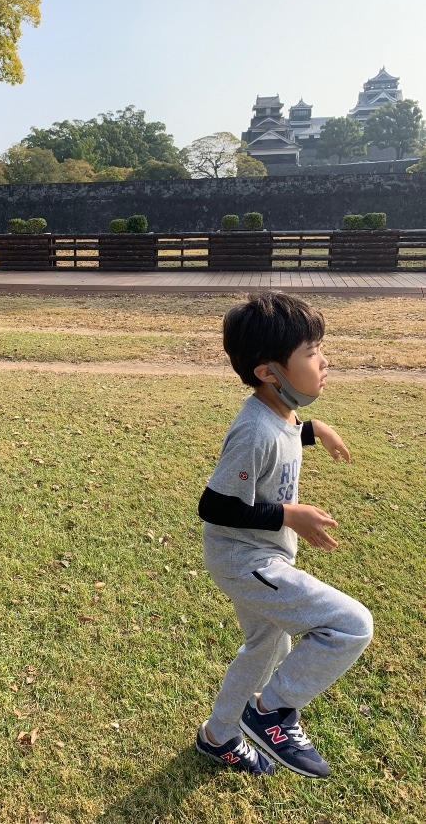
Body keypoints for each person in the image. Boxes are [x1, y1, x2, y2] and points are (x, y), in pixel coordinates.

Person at [195, 291, 373, 778]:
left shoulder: (282, 413)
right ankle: (270, 712)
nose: (324, 361)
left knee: (265, 649)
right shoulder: (254, 431)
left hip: (261, 558)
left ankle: (218, 735)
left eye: (319, 349)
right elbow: (212, 505)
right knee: (351, 625)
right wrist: (287, 516)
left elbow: (288, 431)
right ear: (268, 373)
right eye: (310, 353)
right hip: (247, 562)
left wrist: (315, 429)